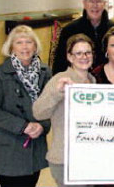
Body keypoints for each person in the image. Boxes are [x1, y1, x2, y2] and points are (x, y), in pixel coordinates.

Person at [33, 34, 96, 187]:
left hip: (88, 158)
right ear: (69, 56)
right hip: (65, 159)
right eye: (78, 53)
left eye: (87, 52)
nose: (84, 57)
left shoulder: (93, 80)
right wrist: (57, 93)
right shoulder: (59, 79)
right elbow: (38, 112)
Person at [0, 25, 51, 187]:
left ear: (35, 46)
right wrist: (23, 126)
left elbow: (52, 107)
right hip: (9, 148)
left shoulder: (45, 72)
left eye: (29, 42)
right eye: (19, 42)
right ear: (11, 47)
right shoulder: (0, 73)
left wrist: (43, 126)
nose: (25, 47)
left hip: (35, 147)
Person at [52, 0, 114, 75]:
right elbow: (59, 63)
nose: (95, 5)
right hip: (77, 81)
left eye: (98, 1)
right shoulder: (69, 30)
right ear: (84, 4)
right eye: (91, 1)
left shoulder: (113, 29)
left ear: (104, 4)